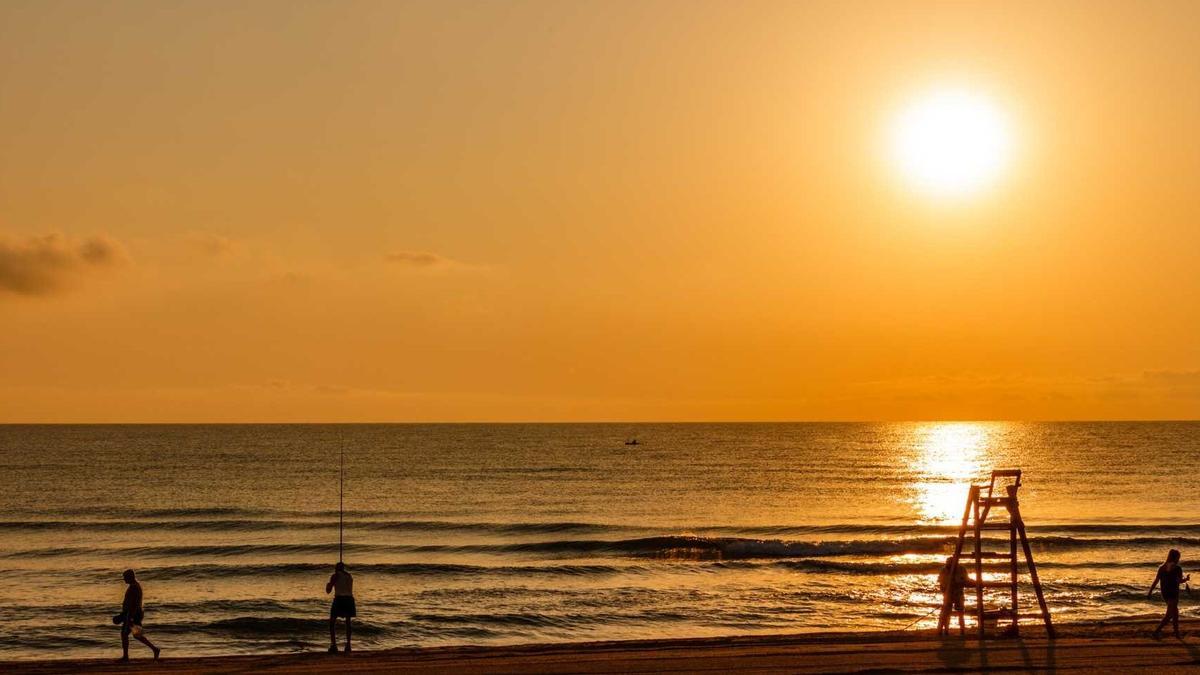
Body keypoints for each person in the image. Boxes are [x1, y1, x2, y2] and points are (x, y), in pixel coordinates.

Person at [118, 569, 160, 661]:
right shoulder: (134, 586)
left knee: (125, 634)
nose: (124, 579)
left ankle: (126, 657)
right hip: (134, 613)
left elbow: (134, 603)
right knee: (136, 635)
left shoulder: (134, 587)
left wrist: (130, 617)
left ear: (130, 577)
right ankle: (154, 649)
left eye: (125, 577)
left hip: (133, 614)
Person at [1148, 548, 1190, 639]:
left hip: (1165, 593)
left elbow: (1156, 581)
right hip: (1173, 592)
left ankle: (1177, 634)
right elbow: (1179, 581)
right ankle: (1156, 632)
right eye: (1178, 557)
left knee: (1175, 613)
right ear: (1175, 558)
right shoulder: (1177, 568)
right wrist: (1186, 579)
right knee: (1170, 614)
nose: (1178, 559)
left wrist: (1150, 592)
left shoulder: (1161, 568)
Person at [937, 556, 974, 636]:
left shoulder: (961, 569)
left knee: (960, 613)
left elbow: (966, 580)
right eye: (948, 564)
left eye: (950, 564)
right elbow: (941, 584)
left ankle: (962, 630)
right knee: (946, 613)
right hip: (948, 594)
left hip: (958, 593)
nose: (948, 566)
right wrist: (945, 593)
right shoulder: (943, 570)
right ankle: (945, 630)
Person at [325, 561, 356, 653]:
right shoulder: (349, 576)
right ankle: (348, 645)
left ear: (337, 568)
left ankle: (334, 645)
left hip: (339, 599)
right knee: (348, 623)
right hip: (349, 599)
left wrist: (328, 584)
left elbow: (328, 590)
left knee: (332, 622)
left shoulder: (335, 576)